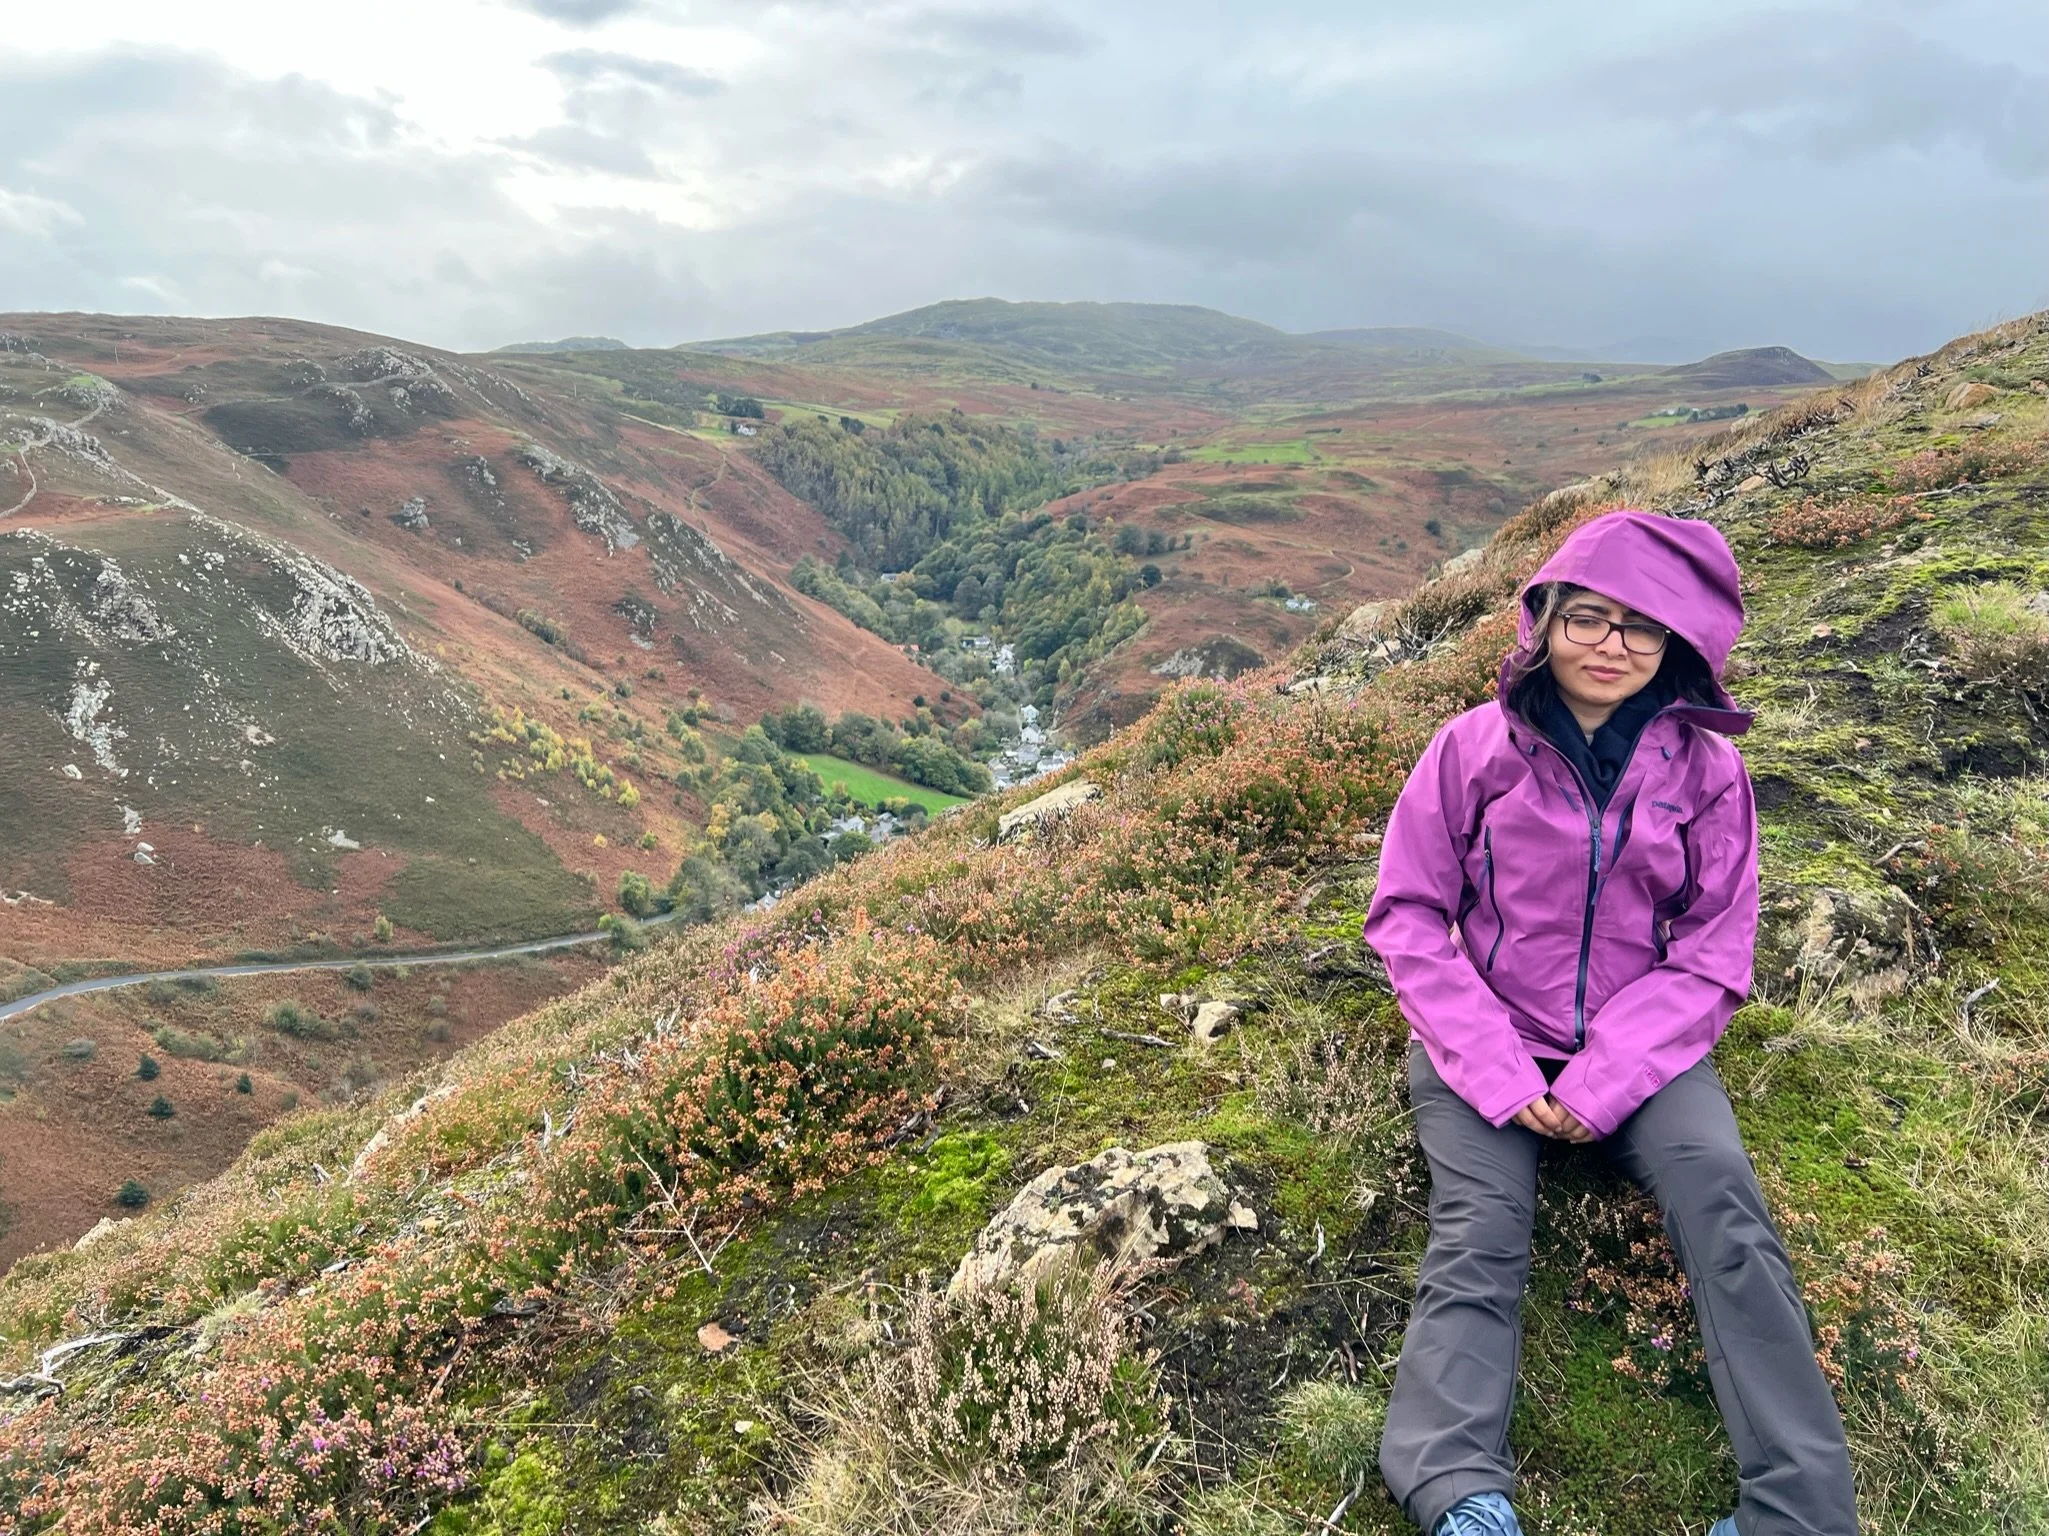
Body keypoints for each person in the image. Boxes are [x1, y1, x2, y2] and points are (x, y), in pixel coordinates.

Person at [1361, 510, 1859, 1536]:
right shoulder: (1469, 749)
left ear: (1676, 647)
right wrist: (1502, 1072)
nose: (1611, 646)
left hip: (1641, 1051)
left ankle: (1800, 1511)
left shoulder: (1706, 771)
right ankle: (1456, 1491)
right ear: (1540, 620)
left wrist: (1600, 1081)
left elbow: (1714, 951)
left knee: (1725, 1207)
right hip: (1482, 1041)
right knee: (1479, 1233)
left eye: (1643, 628)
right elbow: (1410, 916)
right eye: (1588, 617)